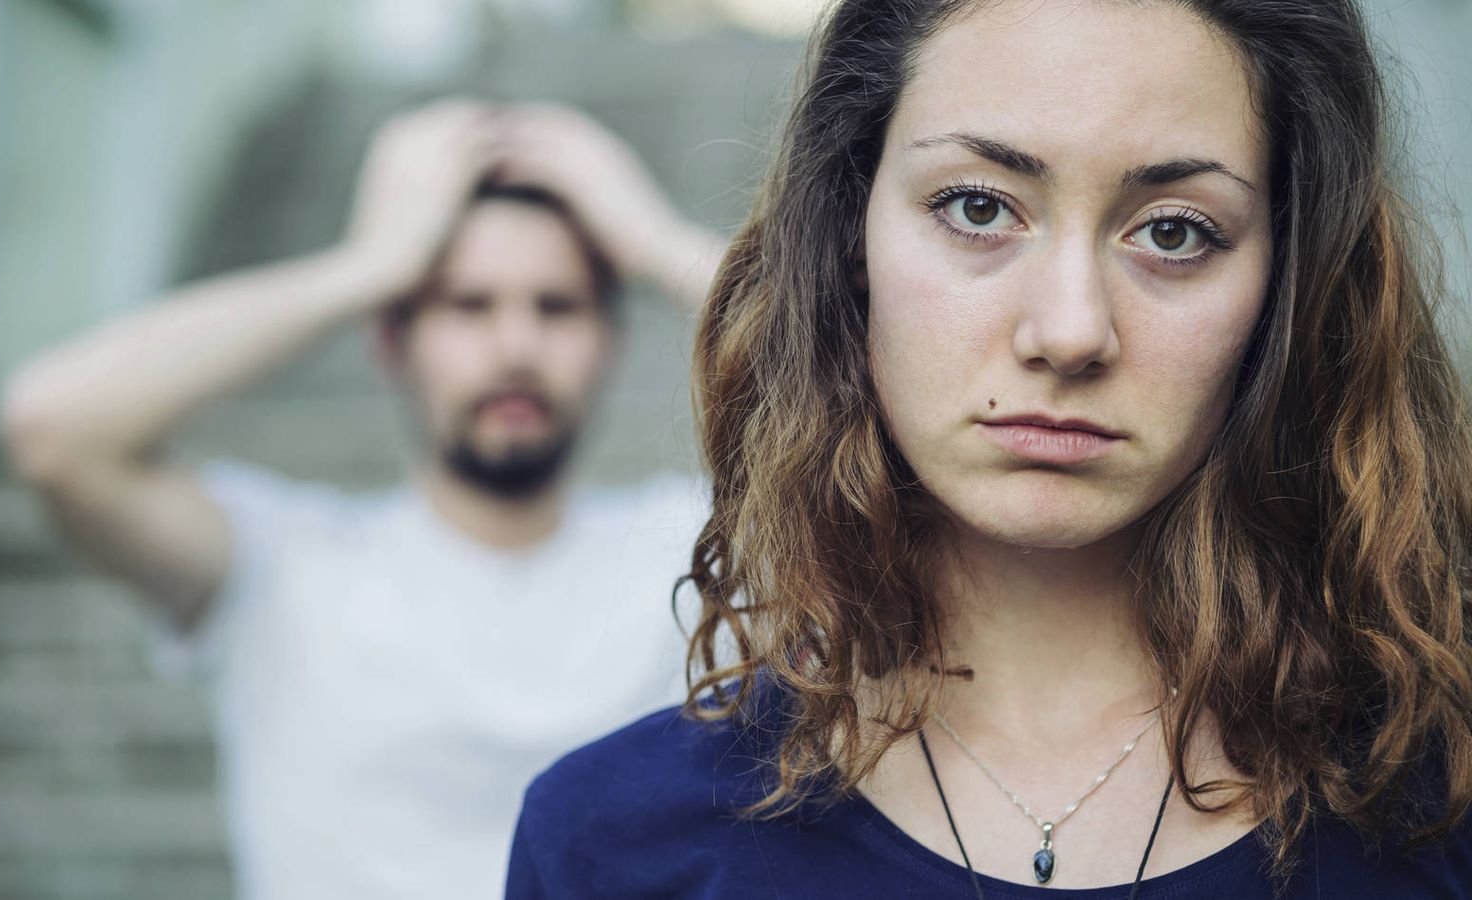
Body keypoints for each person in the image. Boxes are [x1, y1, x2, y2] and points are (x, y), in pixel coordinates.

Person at [507, 1, 1472, 897]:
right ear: (849, 240)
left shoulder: (1442, 810)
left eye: (1174, 231)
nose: (1068, 331)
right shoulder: (609, 843)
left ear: (1287, 282)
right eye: (978, 208)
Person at [0, 101, 722, 899]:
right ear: (389, 338)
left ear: (609, 339)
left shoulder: (690, 556)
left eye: (557, 307)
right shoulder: (284, 560)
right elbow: (53, 428)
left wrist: (655, 240)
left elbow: (866, 399)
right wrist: (370, 263)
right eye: (466, 305)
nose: (516, 347)